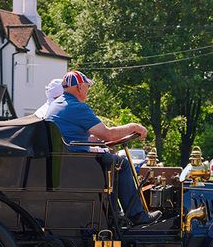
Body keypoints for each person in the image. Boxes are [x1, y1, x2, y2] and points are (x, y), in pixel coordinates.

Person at [45, 70, 161, 225]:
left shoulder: (56, 105)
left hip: (65, 162)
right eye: (87, 86)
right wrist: (133, 127)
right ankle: (136, 215)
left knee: (110, 161)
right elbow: (109, 134)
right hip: (76, 164)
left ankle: (114, 214)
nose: (88, 90)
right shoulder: (77, 107)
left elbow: (79, 135)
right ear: (80, 87)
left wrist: (96, 141)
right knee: (121, 163)